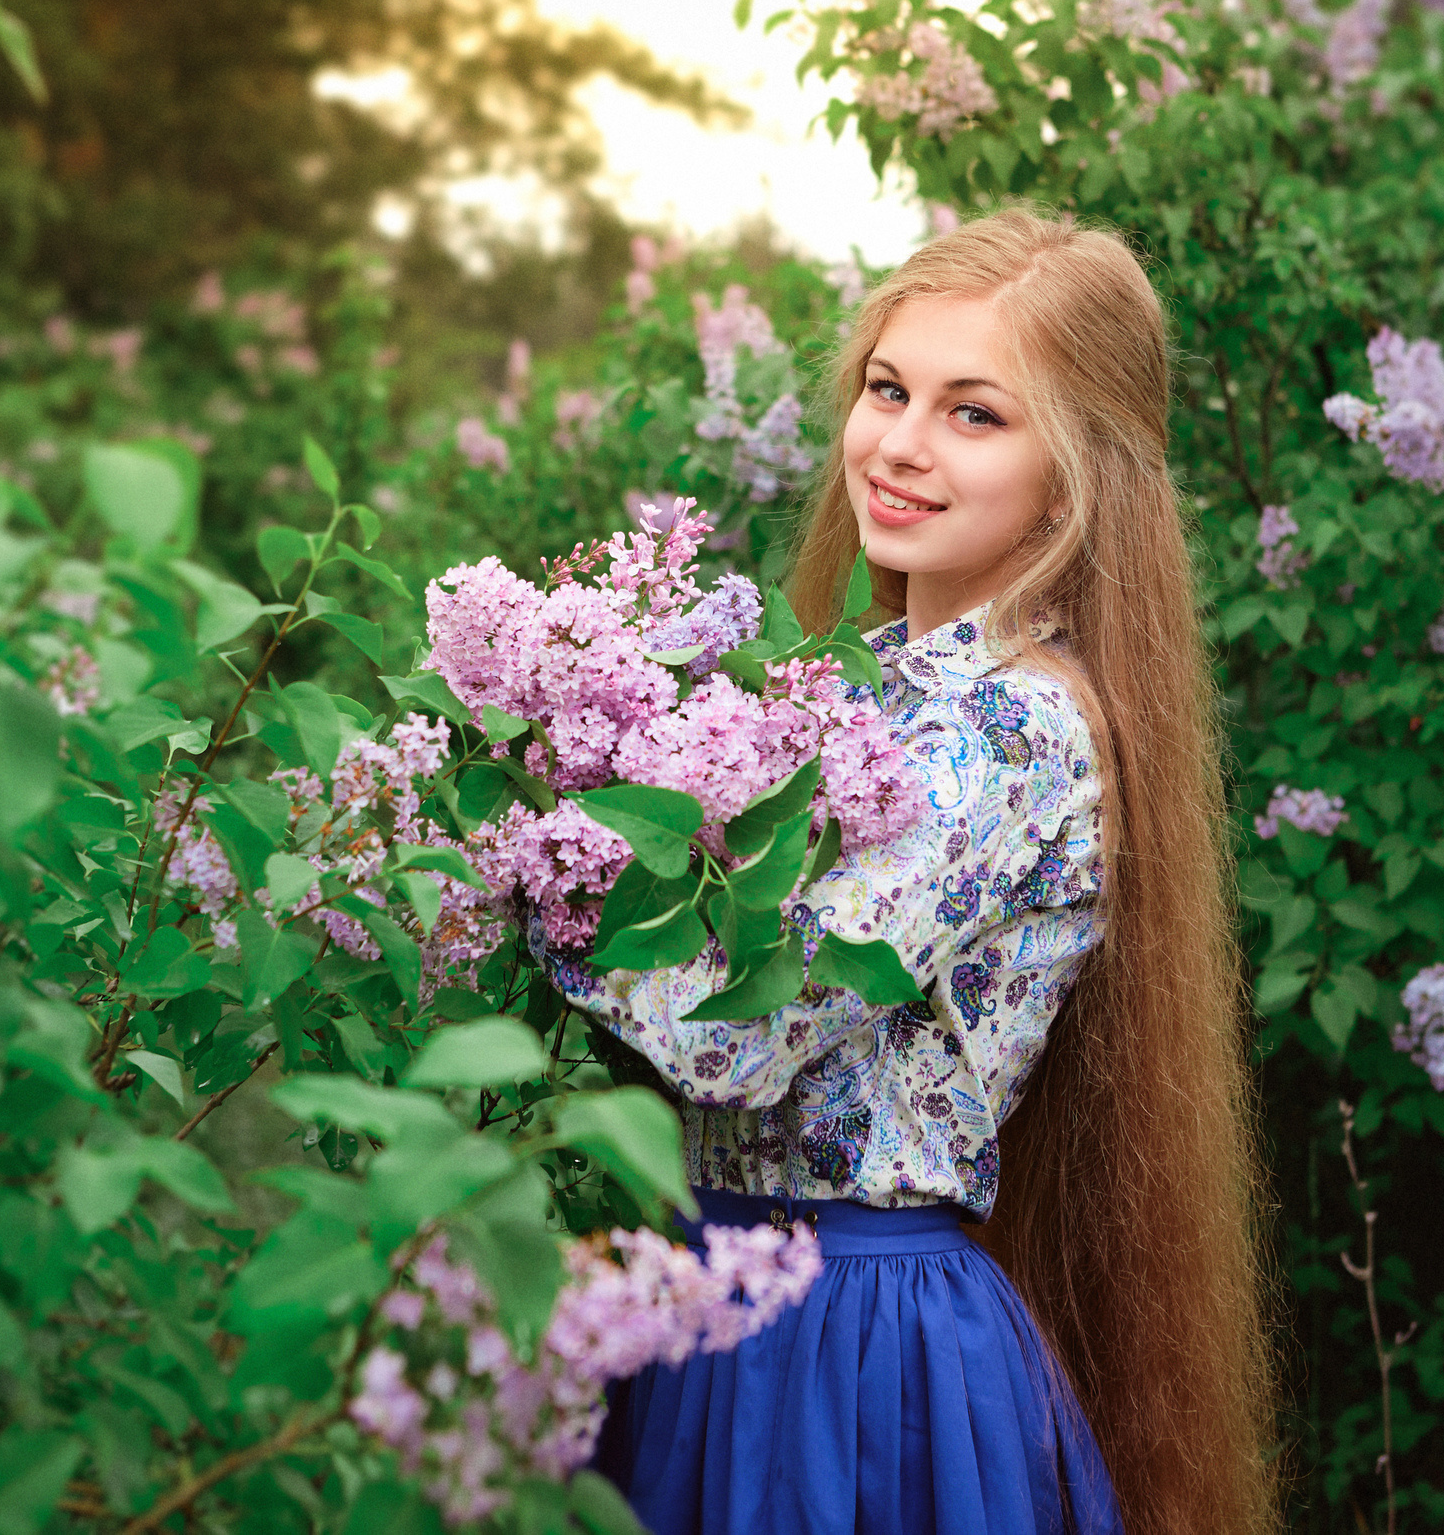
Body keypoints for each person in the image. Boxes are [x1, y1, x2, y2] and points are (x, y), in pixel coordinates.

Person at [541, 207, 1277, 1535]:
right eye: (889, 389)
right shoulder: (864, 697)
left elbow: (741, 1034)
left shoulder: (1009, 727)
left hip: (852, 1346)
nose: (901, 444)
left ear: (1073, 480)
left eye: (974, 413)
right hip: (725, 1300)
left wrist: (536, 871)